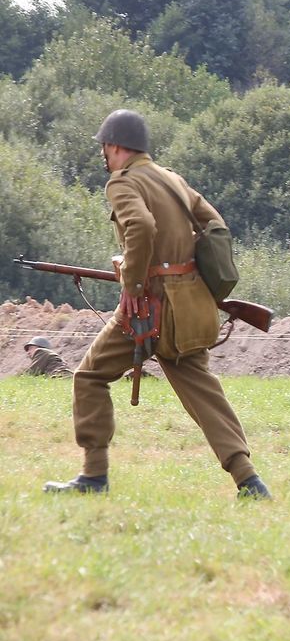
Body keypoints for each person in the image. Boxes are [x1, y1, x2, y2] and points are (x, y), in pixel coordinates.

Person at [43, 109, 271, 500]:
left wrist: (133, 281)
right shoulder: (172, 179)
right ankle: (249, 480)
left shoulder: (122, 182)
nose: (104, 153)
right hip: (188, 307)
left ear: (114, 147)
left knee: (89, 377)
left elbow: (142, 226)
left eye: (104, 147)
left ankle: (94, 476)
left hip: (147, 309)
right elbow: (215, 226)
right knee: (204, 393)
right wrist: (187, 272)